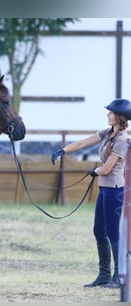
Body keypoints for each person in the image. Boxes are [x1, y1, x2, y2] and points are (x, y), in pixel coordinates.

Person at [51, 98, 131, 289]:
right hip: (104, 189)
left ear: (120, 117)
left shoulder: (122, 139)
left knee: (112, 232)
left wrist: (95, 170)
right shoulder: (108, 133)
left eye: (111, 113)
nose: (107, 115)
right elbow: (84, 142)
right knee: (98, 230)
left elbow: (107, 169)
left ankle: (119, 276)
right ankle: (104, 275)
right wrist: (63, 150)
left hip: (114, 190)